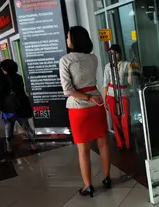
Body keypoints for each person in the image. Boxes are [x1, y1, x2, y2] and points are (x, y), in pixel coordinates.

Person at [59, 26, 111, 197]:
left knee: (83, 149)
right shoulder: (93, 58)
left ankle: (88, 185)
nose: (66, 39)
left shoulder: (66, 60)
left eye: (68, 36)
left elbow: (68, 90)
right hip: (97, 104)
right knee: (103, 144)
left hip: (78, 108)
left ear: (74, 39)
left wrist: (87, 98)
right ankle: (107, 178)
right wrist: (92, 98)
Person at [103, 44, 138, 150]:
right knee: (115, 119)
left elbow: (130, 82)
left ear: (119, 54)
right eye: (111, 54)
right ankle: (120, 143)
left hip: (123, 94)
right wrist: (105, 99)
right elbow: (105, 83)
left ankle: (128, 143)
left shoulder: (127, 64)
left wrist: (131, 73)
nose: (113, 56)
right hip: (111, 94)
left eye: (115, 53)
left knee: (125, 119)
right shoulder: (108, 66)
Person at [0, 59, 37, 153]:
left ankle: (9, 147)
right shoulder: (19, 77)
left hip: (9, 108)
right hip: (20, 106)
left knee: (8, 127)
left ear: (5, 69)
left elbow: (2, 93)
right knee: (26, 126)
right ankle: (33, 145)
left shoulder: (3, 79)